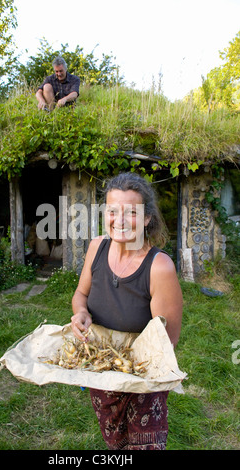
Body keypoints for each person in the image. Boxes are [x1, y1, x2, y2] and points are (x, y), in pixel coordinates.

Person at [71, 172, 183, 450]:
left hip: (143, 381)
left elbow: (167, 342)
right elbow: (80, 295)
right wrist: (80, 313)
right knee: (115, 444)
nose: (119, 221)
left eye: (131, 212)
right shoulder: (97, 248)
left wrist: (131, 372)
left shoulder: (159, 267)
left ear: (147, 218)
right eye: (112, 210)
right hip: (101, 373)